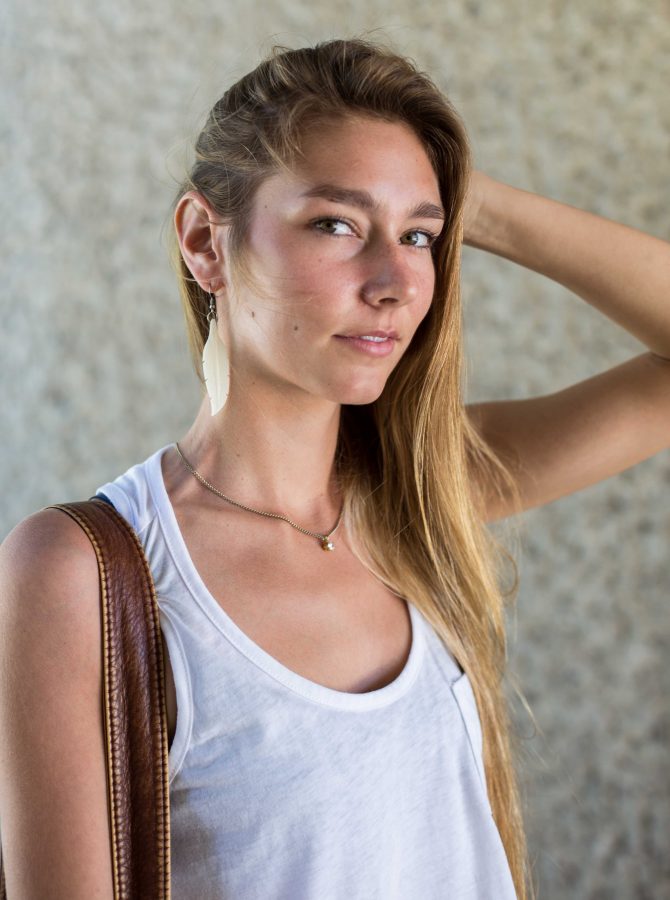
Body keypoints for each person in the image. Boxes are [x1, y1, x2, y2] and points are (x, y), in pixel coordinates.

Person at [0, 37, 668, 900]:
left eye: (420, 236)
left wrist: (474, 204)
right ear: (206, 242)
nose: (395, 280)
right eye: (337, 224)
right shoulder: (81, 574)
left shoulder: (423, 498)